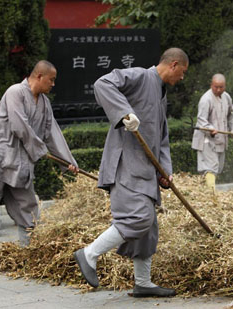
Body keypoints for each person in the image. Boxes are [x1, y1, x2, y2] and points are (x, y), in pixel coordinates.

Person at [73, 48, 188, 297]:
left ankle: (143, 283)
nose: (182, 78)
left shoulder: (161, 94)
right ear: (174, 64)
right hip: (125, 165)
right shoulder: (139, 76)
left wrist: (164, 172)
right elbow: (102, 83)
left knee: (148, 230)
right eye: (183, 72)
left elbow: (162, 138)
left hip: (146, 170)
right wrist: (125, 113)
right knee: (137, 219)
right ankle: (89, 254)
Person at [0, 60, 79, 266]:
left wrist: (68, 162)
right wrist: (39, 149)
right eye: (51, 80)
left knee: (28, 207)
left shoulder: (44, 103)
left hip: (22, 162)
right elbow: (20, 126)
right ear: (39, 76)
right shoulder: (14, 92)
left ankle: (26, 252)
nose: (53, 84)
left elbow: (53, 133)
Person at [191, 73, 233, 191]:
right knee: (210, 167)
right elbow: (201, 120)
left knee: (218, 167)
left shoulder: (227, 97)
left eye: (221, 87)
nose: (218, 89)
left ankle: (203, 190)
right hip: (206, 140)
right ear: (211, 85)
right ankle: (211, 195)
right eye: (215, 87)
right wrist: (210, 128)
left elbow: (232, 115)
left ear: (225, 86)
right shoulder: (205, 99)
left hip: (221, 139)